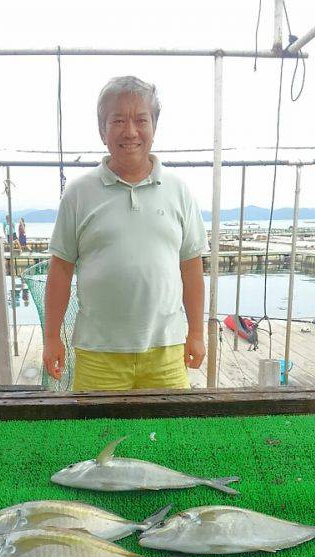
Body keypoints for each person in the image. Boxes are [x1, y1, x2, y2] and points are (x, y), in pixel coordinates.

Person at [43, 75, 208, 391]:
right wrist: (51, 338)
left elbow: (191, 266)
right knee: (96, 439)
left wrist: (196, 333)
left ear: (153, 127)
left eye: (140, 120)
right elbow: (61, 269)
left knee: (172, 437)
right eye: (117, 120)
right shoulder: (78, 193)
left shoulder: (179, 191)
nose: (130, 131)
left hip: (167, 351)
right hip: (97, 354)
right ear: (102, 130)